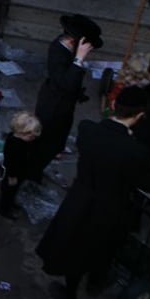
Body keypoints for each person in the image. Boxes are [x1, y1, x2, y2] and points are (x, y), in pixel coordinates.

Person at [36, 86, 150, 299]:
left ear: (113, 105)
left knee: (75, 247)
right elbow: (149, 182)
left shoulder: (87, 130)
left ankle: (70, 293)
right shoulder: (136, 152)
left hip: (81, 200)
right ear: (140, 116)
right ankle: (96, 282)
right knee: (104, 248)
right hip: (113, 208)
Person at [32, 13, 101, 178]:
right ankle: (32, 172)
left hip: (62, 104)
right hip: (54, 105)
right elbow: (65, 83)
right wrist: (79, 59)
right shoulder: (59, 53)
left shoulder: (66, 47)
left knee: (56, 142)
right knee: (47, 142)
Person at [0, 111, 42, 220]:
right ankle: (4, 209)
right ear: (20, 132)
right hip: (12, 173)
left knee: (14, 190)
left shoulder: (21, 140)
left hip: (20, 171)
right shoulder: (15, 145)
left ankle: (10, 202)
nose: (32, 139)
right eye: (30, 136)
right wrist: (12, 176)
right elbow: (10, 162)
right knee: (8, 192)